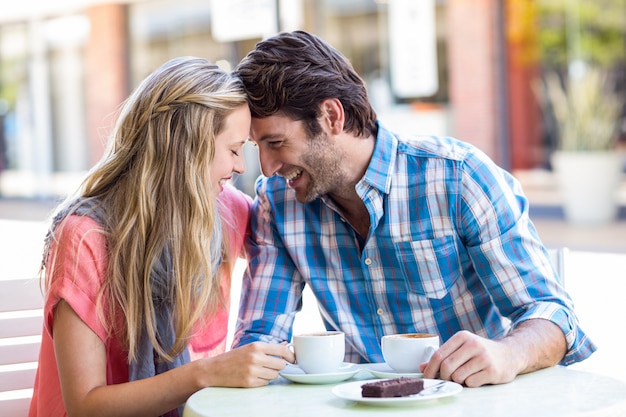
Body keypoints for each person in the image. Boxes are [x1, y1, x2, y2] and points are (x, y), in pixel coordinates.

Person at [232, 31, 596, 387]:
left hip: (471, 405)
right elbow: (259, 340)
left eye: (276, 142)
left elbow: (554, 317)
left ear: (331, 116)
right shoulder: (276, 203)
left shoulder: (459, 176)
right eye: (256, 147)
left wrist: (508, 354)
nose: (266, 167)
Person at [29, 56, 294, 417]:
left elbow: (284, 228)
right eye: (233, 150)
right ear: (189, 146)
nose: (241, 167)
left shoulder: (224, 209)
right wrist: (206, 373)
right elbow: (85, 405)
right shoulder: (85, 236)